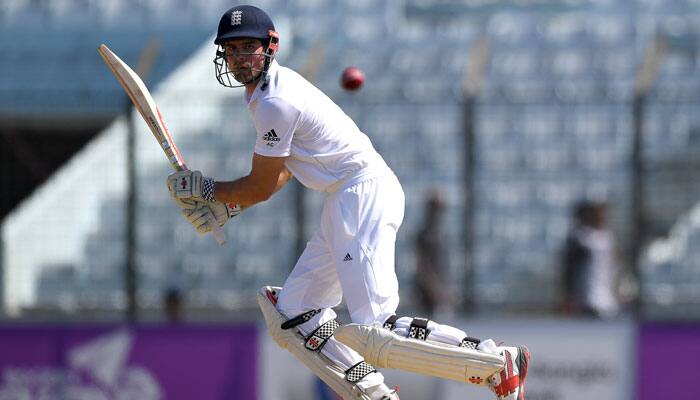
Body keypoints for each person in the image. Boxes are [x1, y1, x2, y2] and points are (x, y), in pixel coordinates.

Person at [166, 5, 529, 400]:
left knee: (376, 329)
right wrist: (228, 205)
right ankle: (374, 393)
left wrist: (206, 191)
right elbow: (282, 171)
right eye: (231, 49)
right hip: (344, 198)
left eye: (248, 47)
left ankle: (495, 360)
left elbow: (259, 187)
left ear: (271, 46)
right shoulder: (264, 95)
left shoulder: (275, 101)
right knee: (292, 313)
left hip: (361, 193)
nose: (239, 58)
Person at [562, 200, 620, 318]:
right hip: (586, 300)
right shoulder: (579, 238)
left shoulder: (608, 238)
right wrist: (569, 296)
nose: (602, 218)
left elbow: (614, 267)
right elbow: (569, 270)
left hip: (608, 300)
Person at [414, 191, 453, 318]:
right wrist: (433, 287)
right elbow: (421, 264)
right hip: (427, 291)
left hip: (442, 285)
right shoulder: (424, 234)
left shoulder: (442, 232)